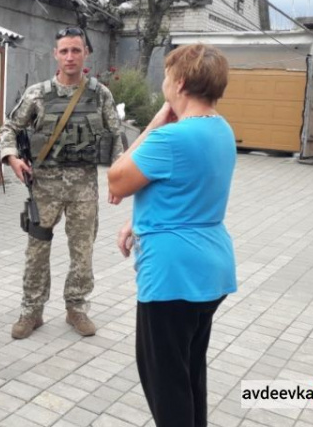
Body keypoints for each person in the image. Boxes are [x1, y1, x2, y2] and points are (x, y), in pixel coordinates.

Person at [107, 43, 237, 427]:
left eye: (166, 76)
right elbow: (187, 187)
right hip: (210, 269)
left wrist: (157, 121)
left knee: (166, 386)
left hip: (172, 276)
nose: (163, 82)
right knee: (189, 373)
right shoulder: (220, 128)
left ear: (179, 83)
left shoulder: (171, 138)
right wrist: (139, 220)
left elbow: (117, 176)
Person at [0, 26, 124, 339]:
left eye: (76, 50)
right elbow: (10, 128)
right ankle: (31, 312)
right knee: (36, 253)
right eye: (64, 50)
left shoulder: (100, 95)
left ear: (86, 54)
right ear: (55, 54)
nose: (70, 56)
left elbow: (116, 139)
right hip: (43, 189)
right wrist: (12, 158)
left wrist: (118, 179)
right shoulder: (37, 94)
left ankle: (76, 309)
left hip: (84, 189)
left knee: (82, 253)